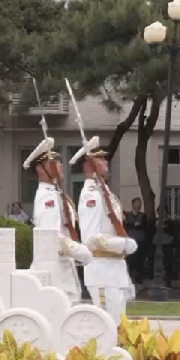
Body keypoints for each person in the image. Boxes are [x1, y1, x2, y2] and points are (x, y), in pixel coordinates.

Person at [73, 137, 136, 320]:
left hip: (115, 269)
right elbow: (91, 238)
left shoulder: (106, 192)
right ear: (88, 164)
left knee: (119, 325)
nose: (105, 161)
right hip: (102, 271)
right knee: (107, 327)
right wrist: (122, 244)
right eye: (100, 159)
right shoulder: (90, 195)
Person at [25, 137, 89, 298]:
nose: (60, 165)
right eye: (54, 162)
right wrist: (79, 250)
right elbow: (51, 236)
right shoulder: (48, 197)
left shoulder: (56, 193)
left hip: (61, 270)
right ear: (41, 169)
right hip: (54, 275)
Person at [125, 197, 153, 286]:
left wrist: (136, 225)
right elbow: (125, 225)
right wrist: (134, 224)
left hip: (140, 241)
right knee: (130, 260)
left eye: (140, 203)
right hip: (130, 241)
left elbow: (144, 226)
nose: (138, 205)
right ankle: (129, 279)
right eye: (137, 203)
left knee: (140, 261)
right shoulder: (127, 215)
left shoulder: (143, 216)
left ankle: (139, 281)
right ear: (132, 204)